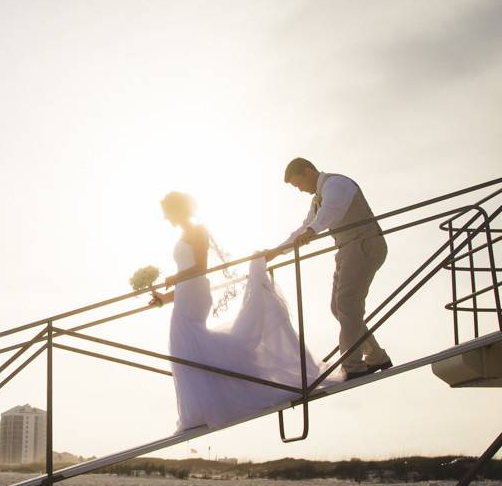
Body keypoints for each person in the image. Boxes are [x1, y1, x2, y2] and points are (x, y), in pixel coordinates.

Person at [150, 191, 339, 433]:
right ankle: (199, 410)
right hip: (186, 292)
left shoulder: (197, 231)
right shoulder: (185, 233)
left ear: (177, 209)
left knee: (185, 347)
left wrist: (176, 277)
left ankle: (208, 407)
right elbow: (188, 273)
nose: (166, 218)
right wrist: (164, 299)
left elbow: (200, 268)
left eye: (167, 212)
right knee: (187, 348)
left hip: (195, 291)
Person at [266, 157, 392, 380]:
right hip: (346, 249)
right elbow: (304, 227)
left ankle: (353, 365)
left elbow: (332, 211)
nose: (300, 190)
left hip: (364, 244)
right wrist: (276, 251)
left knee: (347, 304)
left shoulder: (336, 185)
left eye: (299, 184)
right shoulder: (317, 199)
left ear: (308, 171)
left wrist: (313, 231)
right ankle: (376, 356)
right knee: (338, 307)